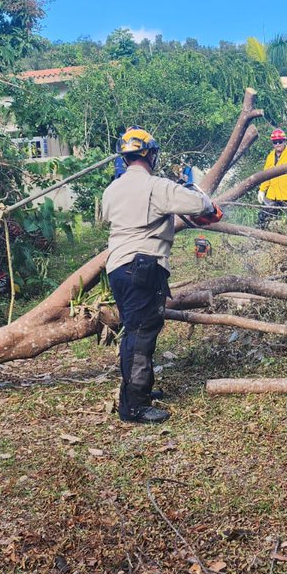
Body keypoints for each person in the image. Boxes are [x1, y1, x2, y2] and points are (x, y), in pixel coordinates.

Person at [102, 126, 215, 424]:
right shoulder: (157, 186)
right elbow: (201, 205)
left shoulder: (111, 190)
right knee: (141, 334)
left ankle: (141, 391)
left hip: (117, 268)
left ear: (125, 159)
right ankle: (134, 407)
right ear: (150, 154)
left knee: (136, 328)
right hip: (143, 266)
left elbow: (105, 218)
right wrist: (191, 192)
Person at [257, 129, 287, 228]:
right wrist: (262, 190)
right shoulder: (270, 156)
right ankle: (258, 236)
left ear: (285, 141)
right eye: (275, 142)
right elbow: (266, 175)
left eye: (280, 141)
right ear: (272, 143)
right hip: (273, 193)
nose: (278, 144)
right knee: (263, 216)